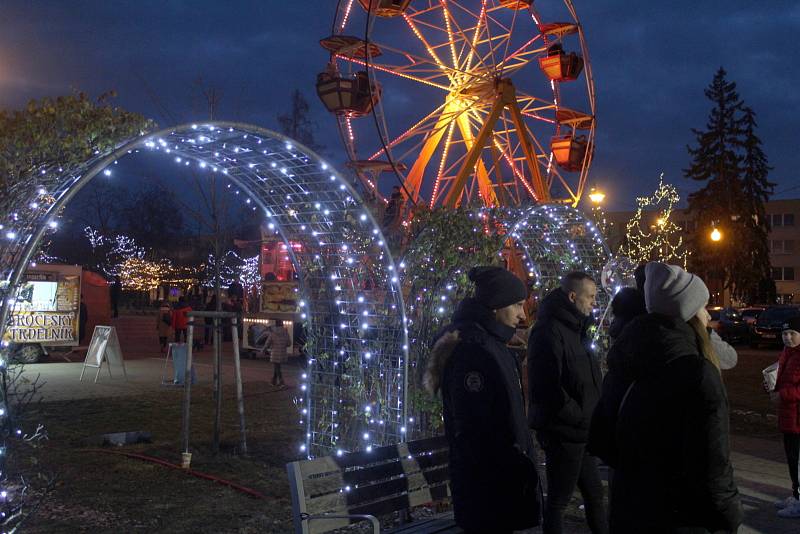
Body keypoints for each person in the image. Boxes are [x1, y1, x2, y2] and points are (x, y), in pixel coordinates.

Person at [588, 262, 742, 533]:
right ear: (691, 313)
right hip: (681, 516)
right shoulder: (697, 372)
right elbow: (714, 465)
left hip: (630, 510)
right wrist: (729, 517)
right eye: (703, 307)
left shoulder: (626, 357)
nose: (708, 315)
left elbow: (602, 438)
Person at [424, 266, 541, 533]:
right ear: (495, 306)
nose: (522, 315)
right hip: (488, 486)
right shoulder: (473, 350)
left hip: (500, 480)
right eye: (517, 305)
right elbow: (476, 427)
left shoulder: (491, 343)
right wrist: (509, 464)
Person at [528, 271, 607, 534]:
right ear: (573, 297)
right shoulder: (549, 330)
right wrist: (580, 415)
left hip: (580, 431)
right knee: (559, 501)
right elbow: (549, 387)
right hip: (564, 432)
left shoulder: (577, 327)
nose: (594, 303)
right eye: (591, 297)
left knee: (595, 494)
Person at [768, 316, 800, 518]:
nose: (787, 337)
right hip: (788, 416)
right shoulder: (787, 353)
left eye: (792, 333)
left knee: (798, 461)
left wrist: (782, 395)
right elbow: (781, 378)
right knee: (792, 459)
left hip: (798, 417)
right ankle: (795, 495)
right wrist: (771, 386)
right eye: (784, 334)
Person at [264, 320, 290, 387]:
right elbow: (289, 343)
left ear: (276, 325)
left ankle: (281, 382)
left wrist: (264, 349)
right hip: (282, 353)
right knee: (277, 367)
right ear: (282, 325)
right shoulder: (286, 333)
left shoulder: (273, 333)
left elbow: (268, 342)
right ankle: (273, 381)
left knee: (277, 368)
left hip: (275, 353)